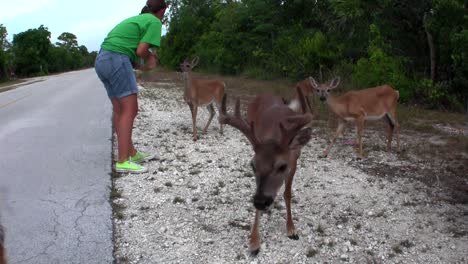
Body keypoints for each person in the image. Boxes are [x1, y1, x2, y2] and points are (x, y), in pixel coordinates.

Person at [95, 0, 167, 173]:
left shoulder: (137, 20)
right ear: (163, 10)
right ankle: (122, 161)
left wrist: (143, 66)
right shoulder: (154, 22)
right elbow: (141, 51)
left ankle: (130, 153)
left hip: (102, 60)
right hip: (116, 59)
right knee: (131, 109)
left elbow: (131, 57)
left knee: (120, 110)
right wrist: (151, 58)